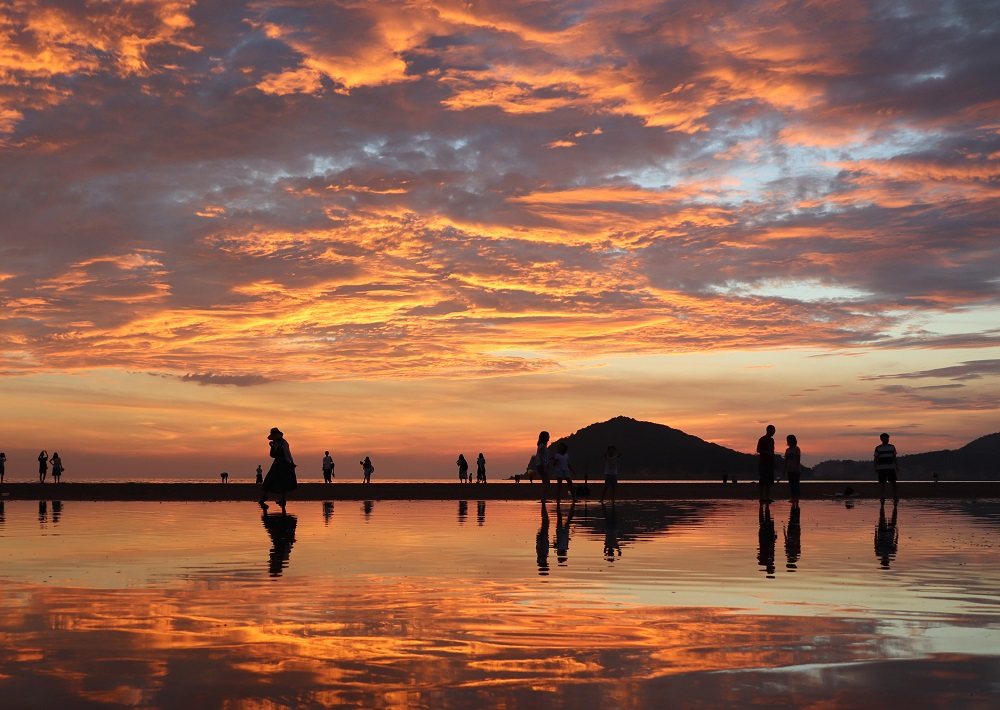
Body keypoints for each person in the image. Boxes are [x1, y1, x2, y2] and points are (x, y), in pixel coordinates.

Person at [260, 427, 297, 511]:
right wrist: (272, 447)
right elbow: (272, 455)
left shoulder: (284, 443)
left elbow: (287, 454)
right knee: (270, 478)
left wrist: (291, 462)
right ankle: (265, 496)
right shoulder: (275, 443)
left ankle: (282, 499)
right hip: (277, 463)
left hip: (284, 464)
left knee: (283, 481)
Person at [874, 433, 899, 502]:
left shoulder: (892, 447)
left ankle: (895, 496)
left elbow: (894, 457)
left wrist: (896, 466)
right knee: (882, 483)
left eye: (888, 438)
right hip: (881, 468)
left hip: (891, 468)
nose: (887, 440)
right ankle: (882, 497)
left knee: (893, 482)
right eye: (885, 438)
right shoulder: (878, 448)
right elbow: (875, 459)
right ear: (882, 439)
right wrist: (876, 468)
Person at [756, 425, 776, 504]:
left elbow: (773, 452)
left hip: (770, 462)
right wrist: (767, 452)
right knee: (763, 480)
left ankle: (767, 497)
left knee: (769, 481)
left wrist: (774, 462)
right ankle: (761, 498)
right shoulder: (762, 439)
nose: (774, 432)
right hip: (763, 462)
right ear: (768, 430)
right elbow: (758, 450)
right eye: (773, 430)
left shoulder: (772, 440)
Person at [783, 435, 801, 506]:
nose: (788, 441)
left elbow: (798, 459)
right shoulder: (787, 450)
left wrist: (796, 467)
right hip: (789, 470)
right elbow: (786, 460)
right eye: (787, 440)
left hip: (796, 469)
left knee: (796, 484)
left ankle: (796, 498)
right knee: (791, 484)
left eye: (789, 440)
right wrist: (784, 470)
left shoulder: (797, 449)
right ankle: (793, 497)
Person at [535, 431, 551, 501]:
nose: (549, 437)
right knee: (547, 482)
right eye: (547, 435)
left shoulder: (542, 445)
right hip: (541, 465)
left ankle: (543, 498)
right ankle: (543, 498)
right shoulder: (542, 445)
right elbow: (541, 457)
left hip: (541, 465)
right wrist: (544, 466)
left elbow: (543, 456)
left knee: (545, 482)